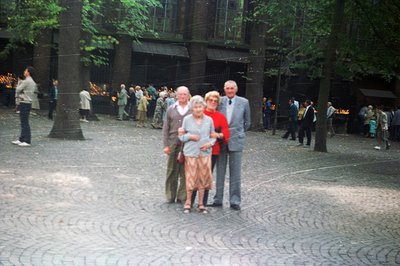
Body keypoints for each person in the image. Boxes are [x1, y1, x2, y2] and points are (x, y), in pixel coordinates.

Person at [210, 80, 251, 211]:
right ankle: (218, 199)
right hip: (220, 141)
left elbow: (247, 122)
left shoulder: (244, 102)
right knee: (220, 171)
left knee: (236, 173)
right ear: (224, 89)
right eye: (227, 88)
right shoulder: (219, 101)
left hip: (236, 141)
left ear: (236, 89)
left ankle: (235, 201)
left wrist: (238, 133)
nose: (229, 90)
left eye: (232, 88)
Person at [191, 91, 230, 207]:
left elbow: (226, 133)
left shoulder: (221, 117)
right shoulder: (198, 113)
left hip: (213, 151)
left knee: (206, 176)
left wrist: (218, 135)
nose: (213, 102)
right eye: (210, 100)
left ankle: (202, 202)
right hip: (196, 150)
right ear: (206, 101)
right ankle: (190, 200)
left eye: (215, 101)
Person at [178, 95, 216, 214]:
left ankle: (201, 204)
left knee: (202, 178)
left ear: (203, 107)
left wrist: (210, 144)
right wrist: (190, 136)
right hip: (191, 153)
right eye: (195, 107)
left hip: (205, 153)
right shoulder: (187, 119)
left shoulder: (209, 120)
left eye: (200, 107)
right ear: (192, 108)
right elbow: (181, 137)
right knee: (190, 178)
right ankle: (188, 203)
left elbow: (213, 136)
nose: (198, 109)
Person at [162, 86, 192, 204]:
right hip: (173, 142)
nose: (182, 96)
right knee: (171, 170)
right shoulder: (171, 109)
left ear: (188, 95)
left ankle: (182, 196)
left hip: (188, 144)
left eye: (184, 94)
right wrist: (166, 145)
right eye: (180, 94)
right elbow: (165, 128)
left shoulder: (192, 109)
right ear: (176, 95)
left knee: (185, 171)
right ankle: (170, 195)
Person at [12, 66, 36, 147]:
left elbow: (18, 89)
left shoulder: (27, 81)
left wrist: (19, 82)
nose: (24, 71)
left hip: (24, 102)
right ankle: (22, 139)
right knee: (24, 122)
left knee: (24, 122)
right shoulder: (31, 81)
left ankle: (27, 141)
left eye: (25, 70)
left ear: (28, 72)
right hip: (27, 102)